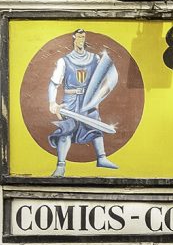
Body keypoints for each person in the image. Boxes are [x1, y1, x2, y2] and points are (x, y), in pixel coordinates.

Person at [46, 30, 120, 177]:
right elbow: (54, 84)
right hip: (70, 101)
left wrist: (97, 98)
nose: (81, 39)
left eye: (83, 37)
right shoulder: (64, 61)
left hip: (88, 100)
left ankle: (102, 158)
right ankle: (61, 165)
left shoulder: (95, 59)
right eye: (79, 36)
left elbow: (103, 78)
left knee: (95, 127)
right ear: (74, 38)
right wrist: (52, 103)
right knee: (66, 131)